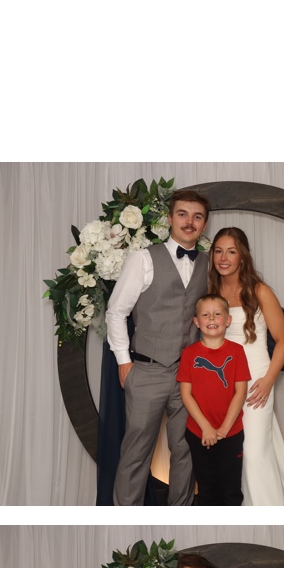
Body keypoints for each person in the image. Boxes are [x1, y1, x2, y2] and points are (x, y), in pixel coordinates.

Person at [106, 188, 211, 506]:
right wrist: (124, 362)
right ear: (169, 219)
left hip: (189, 374)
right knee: (136, 451)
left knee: (186, 449)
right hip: (147, 369)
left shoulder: (208, 264)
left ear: (204, 224)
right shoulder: (143, 259)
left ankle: (180, 515)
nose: (189, 222)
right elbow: (116, 311)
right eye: (182, 214)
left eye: (197, 216)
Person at [208, 228, 284, 507]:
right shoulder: (211, 292)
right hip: (223, 382)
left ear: (243, 256)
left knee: (253, 452)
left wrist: (268, 380)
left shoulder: (260, 291)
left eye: (231, 251)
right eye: (218, 251)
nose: (224, 258)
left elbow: (283, 341)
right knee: (238, 450)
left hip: (256, 379)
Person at [176, 294, 250, 504]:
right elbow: (186, 395)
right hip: (199, 432)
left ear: (228, 320)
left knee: (231, 490)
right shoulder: (189, 354)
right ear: (196, 321)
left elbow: (240, 392)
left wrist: (224, 429)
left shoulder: (237, 352)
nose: (211, 318)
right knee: (207, 490)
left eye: (217, 314)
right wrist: (206, 428)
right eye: (205, 315)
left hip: (231, 433)